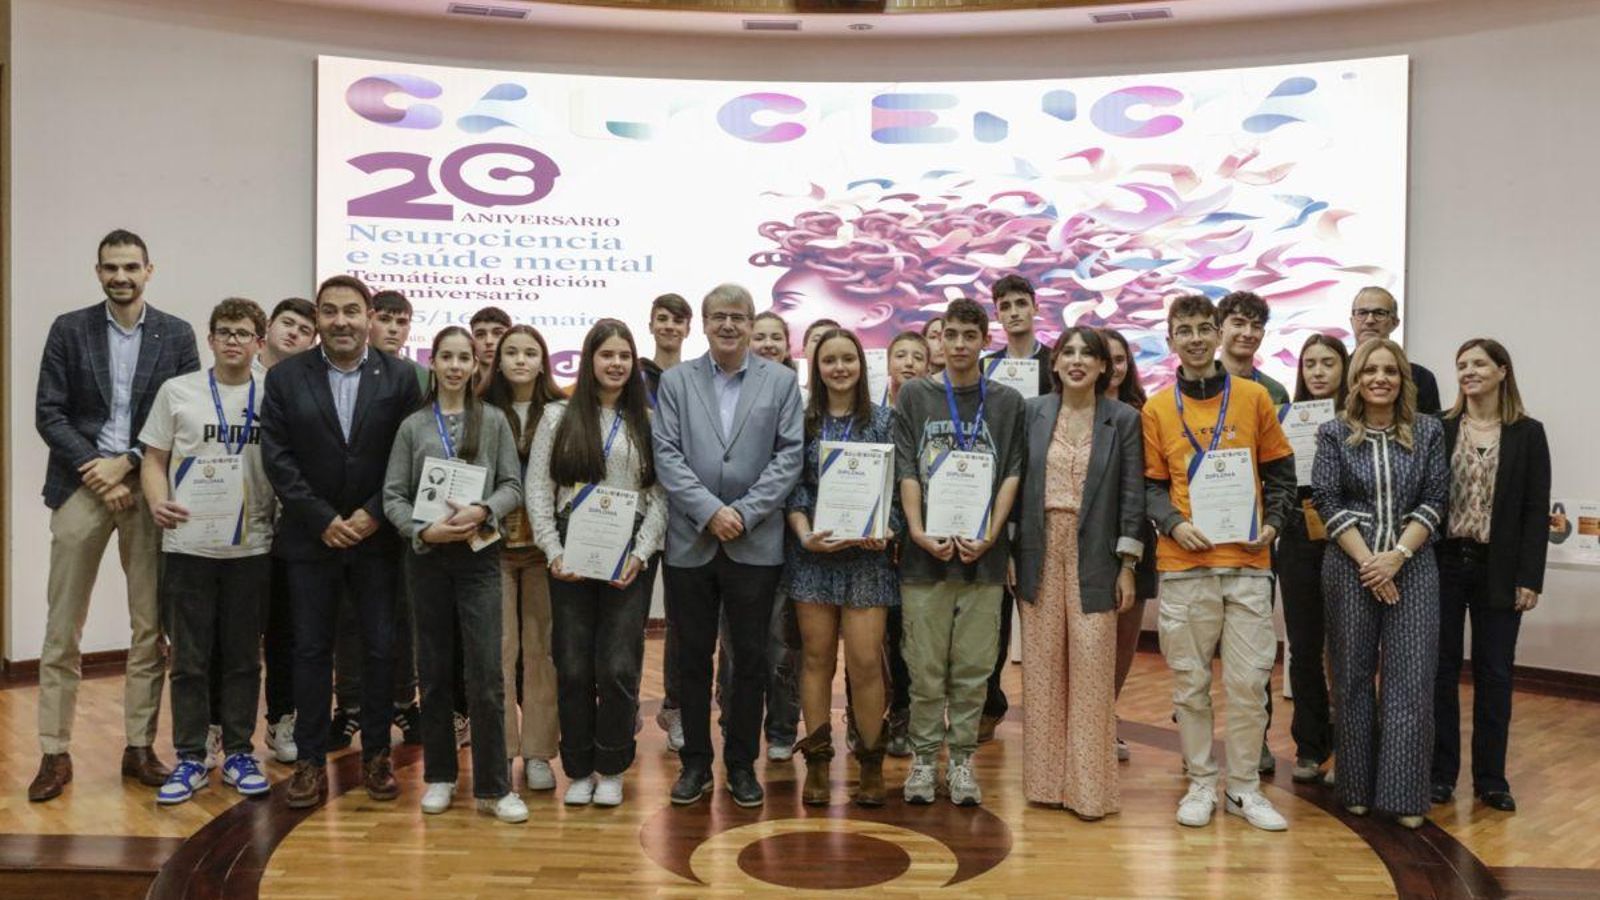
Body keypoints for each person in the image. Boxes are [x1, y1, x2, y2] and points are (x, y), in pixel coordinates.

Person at [30, 229, 199, 803]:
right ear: (97, 271)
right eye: (110, 268)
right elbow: (49, 413)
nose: (120, 277)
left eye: (131, 267)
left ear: (150, 270)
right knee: (62, 630)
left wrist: (126, 465)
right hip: (81, 485)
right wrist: (95, 469)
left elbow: (184, 415)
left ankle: (139, 748)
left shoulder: (176, 334)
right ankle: (54, 753)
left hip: (145, 485)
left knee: (149, 628)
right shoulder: (68, 328)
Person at [261, 274, 422, 810]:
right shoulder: (286, 379)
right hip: (312, 540)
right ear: (318, 319)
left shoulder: (401, 379)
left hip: (378, 541)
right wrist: (323, 517)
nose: (341, 321)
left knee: (379, 651)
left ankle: (377, 753)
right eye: (329, 312)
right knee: (309, 651)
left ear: (369, 315)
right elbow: (277, 458)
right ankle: (308, 761)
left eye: (351, 311)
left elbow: (409, 458)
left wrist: (374, 514)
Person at [1142, 293, 1295, 832]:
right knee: (1189, 684)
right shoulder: (1157, 408)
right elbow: (1150, 486)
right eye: (1185, 330)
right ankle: (1202, 783)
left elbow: (1280, 473)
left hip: (1249, 564)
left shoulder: (1254, 397)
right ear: (1172, 342)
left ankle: (1246, 789)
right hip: (1185, 565)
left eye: (1204, 327)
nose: (1197, 338)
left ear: (1217, 333)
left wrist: (1274, 523)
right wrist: (1173, 522)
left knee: (1250, 685)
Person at [652, 283, 803, 808]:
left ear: (751, 321)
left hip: (755, 542)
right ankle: (695, 763)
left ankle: (741, 764)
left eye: (739, 317)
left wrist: (742, 512)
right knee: (691, 659)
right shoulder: (676, 381)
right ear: (705, 322)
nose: (729, 326)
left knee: (751, 661)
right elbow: (666, 455)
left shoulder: (782, 382)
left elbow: (789, 456)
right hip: (691, 542)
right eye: (719, 316)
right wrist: (710, 511)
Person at [382, 326, 527, 823]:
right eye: (446, 356)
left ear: (475, 366)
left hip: (480, 558)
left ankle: (494, 787)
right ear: (434, 363)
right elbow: (393, 497)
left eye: (464, 357)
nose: (456, 365)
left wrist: (484, 511)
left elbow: (513, 485)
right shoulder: (412, 427)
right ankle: (441, 777)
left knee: (486, 674)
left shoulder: (493, 423)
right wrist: (422, 533)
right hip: (427, 561)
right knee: (436, 672)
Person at [139, 298, 275, 804]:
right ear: (210, 339)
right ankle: (191, 757)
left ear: (259, 342)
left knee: (243, 657)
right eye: (224, 332)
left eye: (243, 333)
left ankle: (239, 751)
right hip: (189, 545)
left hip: (252, 546)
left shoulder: (274, 394)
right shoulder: (179, 391)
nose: (233, 340)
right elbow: (153, 459)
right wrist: (157, 502)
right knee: (190, 660)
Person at [527, 320, 667, 808]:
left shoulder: (648, 420)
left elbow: (660, 496)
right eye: (606, 354)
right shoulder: (556, 416)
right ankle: (579, 767)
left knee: (618, 666)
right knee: (572, 665)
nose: (616, 364)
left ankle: (611, 766)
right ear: (589, 361)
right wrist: (553, 550)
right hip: (570, 546)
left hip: (628, 550)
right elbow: (539, 490)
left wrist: (642, 552)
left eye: (624, 356)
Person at [893, 297, 1026, 806]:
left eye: (971, 336)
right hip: (925, 556)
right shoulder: (915, 397)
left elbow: (1012, 470)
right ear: (940, 340)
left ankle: (964, 760)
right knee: (925, 667)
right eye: (951, 335)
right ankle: (926, 760)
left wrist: (993, 535)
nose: (960, 345)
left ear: (984, 341)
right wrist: (918, 530)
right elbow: (907, 468)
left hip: (982, 558)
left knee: (973, 668)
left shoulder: (1007, 401)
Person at [1312, 338, 1448, 829]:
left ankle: (1404, 795)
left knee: (1410, 682)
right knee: (1350, 679)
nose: (1380, 378)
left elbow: (1435, 498)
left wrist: (1397, 557)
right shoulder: (1332, 433)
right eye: (1371, 370)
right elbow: (1326, 500)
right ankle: (1355, 787)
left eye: (1390, 370)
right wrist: (1371, 563)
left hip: (1413, 567)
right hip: (1351, 567)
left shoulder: (1428, 431)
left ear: (1402, 380)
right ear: (1357, 379)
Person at [1015, 328, 1145, 820]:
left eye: (1086, 354)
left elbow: (1132, 497)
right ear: (1054, 363)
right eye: (1066, 352)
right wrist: (1011, 551)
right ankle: (1046, 784)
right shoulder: (1031, 413)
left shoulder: (1124, 419)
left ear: (1103, 367)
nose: (1075, 361)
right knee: (1044, 671)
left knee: (1092, 670)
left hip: (1096, 553)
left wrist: (1127, 565)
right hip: (1038, 546)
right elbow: (1017, 482)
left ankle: (1089, 792)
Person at [1431, 339, 1549, 813]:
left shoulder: (1527, 433)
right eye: (1461, 364)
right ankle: (1441, 775)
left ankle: (1491, 779)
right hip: (1443, 563)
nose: (1468, 371)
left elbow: (1535, 510)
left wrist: (1530, 577)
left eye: (1479, 363)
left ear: (1503, 370)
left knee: (1495, 673)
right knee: (1439, 673)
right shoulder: (1439, 428)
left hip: (1498, 568)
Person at [785, 328, 901, 807]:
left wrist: (887, 529)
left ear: (860, 365)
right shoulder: (802, 424)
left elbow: (899, 490)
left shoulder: (884, 422)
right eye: (829, 360)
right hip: (814, 556)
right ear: (817, 367)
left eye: (847, 359)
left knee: (866, 663)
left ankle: (870, 765)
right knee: (815, 661)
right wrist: (804, 532)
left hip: (868, 561)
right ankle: (816, 761)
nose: (839, 368)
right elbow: (793, 490)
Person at [327, 288, 426, 753]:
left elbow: (413, 454)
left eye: (399, 321)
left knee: (402, 616)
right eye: (383, 319)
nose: (390, 328)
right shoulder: (330, 372)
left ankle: (405, 701)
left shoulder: (416, 378)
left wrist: (381, 510)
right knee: (346, 617)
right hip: (341, 517)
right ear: (371, 322)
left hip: (396, 516)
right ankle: (348, 708)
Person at [485, 325, 565, 793]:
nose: (519, 360)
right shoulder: (481, 410)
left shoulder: (560, 412)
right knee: (498, 652)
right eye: (510, 352)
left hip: (543, 550)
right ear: (497, 360)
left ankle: (538, 753)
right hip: (490, 548)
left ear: (543, 361)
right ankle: (501, 750)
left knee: (541, 654)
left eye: (529, 352)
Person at [722, 307, 803, 761]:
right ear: (750, 339)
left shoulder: (804, 396)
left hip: (791, 539)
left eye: (778, 337)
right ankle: (733, 725)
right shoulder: (731, 396)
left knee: (780, 643)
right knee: (734, 644)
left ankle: (782, 727)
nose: (769, 344)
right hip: (737, 532)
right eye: (763, 336)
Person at [977, 275, 1053, 744]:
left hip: (1046, 498)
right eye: (1004, 306)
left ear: (1035, 307)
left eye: (1021, 303)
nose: (1014, 312)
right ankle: (989, 705)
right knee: (994, 618)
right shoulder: (986, 368)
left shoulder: (1056, 364)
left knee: (1044, 616)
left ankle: (1049, 715)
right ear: (997, 315)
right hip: (994, 497)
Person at [1277, 334, 1349, 785]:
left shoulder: (1359, 420)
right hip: (1297, 534)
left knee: (1345, 651)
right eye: (1310, 365)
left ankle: (1350, 747)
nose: (1318, 372)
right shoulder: (1287, 419)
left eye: (1327, 363)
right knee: (1303, 648)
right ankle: (1309, 746)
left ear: (1344, 368)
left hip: (1347, 538)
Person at [257, 297, 318, 766]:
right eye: (288, 324)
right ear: (268, 328)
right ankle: (221, 730)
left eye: (304, 329)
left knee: (287, 634)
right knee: (231, 638)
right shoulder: (234, 378)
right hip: (231, 530)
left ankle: (282, 719)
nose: (294, 333)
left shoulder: (307, 388)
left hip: (289, 529)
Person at [638, 292, 691, 751]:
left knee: (681, 617)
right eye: (662, 319)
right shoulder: (634, 375)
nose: (670, 327)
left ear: (688, 329)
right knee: (630, 615)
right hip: (639, 510)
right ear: (651, 325)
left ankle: (674, 709)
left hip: (687, 513)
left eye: (678, 320)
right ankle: (623, 708)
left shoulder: (699, 379)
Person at [1102, 328, 1156, 765]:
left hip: (1137, 538)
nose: (1114, 367)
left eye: (1121, 359)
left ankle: (1107, 719)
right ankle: (1085, 721)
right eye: (1108, 358)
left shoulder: (1146, 412)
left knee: (1122, 640)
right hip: (1086, 539)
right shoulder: (1067, 411)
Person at [881, 329, 930, 756]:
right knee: (869, 634)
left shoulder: (928, 417)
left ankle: (905, 711)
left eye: (918, 356)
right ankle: (867, 717)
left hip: (916, 540)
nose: (909, 363)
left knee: (906, 631)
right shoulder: (869, 414)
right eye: (901, 355)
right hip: (870, 540)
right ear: (888, 363)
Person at [1349, 287, 1440, 414]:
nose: (1369, 320)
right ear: (1352, 321)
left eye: (1379, 313)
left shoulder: (1420, 378)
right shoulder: (1336, 373)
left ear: (1395, 323)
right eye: (1362, 313)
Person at [1216, 291, 1291, 405]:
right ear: (1220, 329)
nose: (1248, 333)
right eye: (1238, 324)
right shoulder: (1195, 385)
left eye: (1256, 326)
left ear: (1263, 333)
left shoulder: (1275, 393)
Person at [256, 297, 318, 372]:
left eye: (304, 331)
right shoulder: (240, 367)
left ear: (311, 343)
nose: (294, 333)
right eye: (287, 323)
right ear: (268, 325)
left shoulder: (315, 382)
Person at [470, 306, 513, 395]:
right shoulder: (462, 385)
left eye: (497, 333)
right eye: (480, 335)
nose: (488, 341)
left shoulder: (522, 384)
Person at [887, 331, 930, 408]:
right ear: (888, 365)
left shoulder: (935, 407)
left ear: (927, 369)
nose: (909, 363)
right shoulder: (873, 405)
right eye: (900, 356)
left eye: (918, 358)